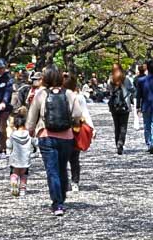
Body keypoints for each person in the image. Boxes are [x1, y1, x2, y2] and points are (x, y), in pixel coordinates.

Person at [25, 65, 89, 216]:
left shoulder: (40, 94)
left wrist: (30, 130)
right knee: (62, 168)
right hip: (66, 137)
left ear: (45, 78)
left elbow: (32, 116)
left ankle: (57, 203)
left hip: (46, 136)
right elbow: (77, 114)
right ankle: (62, 196)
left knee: (52, 171)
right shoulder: (69, 94)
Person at [63, 72, 94, 192]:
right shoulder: (77, 97)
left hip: (66, 129)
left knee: (66, 158)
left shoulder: (63, 96)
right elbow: (85, 113)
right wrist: (91, 127)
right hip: (74, 129)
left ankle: (68, 182)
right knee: (74, 158)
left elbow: (84, 113)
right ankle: (74, 181)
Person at [106, 64, 132, 155]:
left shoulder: (110, 80)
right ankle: (121, 142)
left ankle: (117, 142)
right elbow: (132, 90)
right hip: (125, 106)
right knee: (123, 126)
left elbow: (108, 91)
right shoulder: (126, 80)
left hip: (114, 106)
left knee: (116, 126)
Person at [7, 113, 32, 197]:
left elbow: (9, 145)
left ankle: (14, 182)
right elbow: (35, 142)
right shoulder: (29, 134)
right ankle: (22, 190)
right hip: (25, 160)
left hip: (15, 159)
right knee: (24, 175)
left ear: (15, 124)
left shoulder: (13, 135)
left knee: (14, 173)